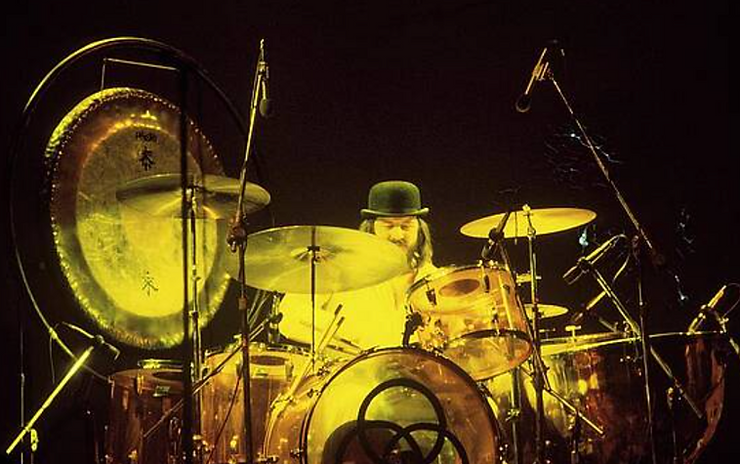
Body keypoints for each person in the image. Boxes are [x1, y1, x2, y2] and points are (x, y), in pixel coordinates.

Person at [278, 180, 438, 352]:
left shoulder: (434, 280)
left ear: (420, 230)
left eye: (406, 226)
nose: (397, 235)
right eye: (388, 225)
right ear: (371, 229)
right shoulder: (338, 266)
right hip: (350, 365)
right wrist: (353, 334)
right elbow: (291, 317)